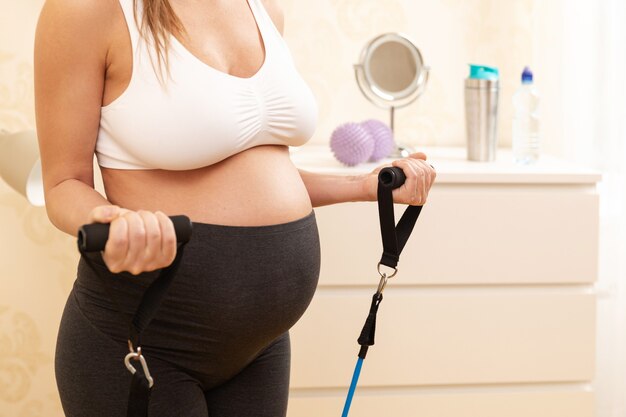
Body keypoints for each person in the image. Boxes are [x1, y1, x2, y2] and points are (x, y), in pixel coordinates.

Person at [34, 0, 436, 415]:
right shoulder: (84, 10)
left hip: (259, 347)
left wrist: (364, 186)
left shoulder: (262, 8)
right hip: (146, 342)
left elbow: (255, 168)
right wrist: (114, 221)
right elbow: (64, 184)